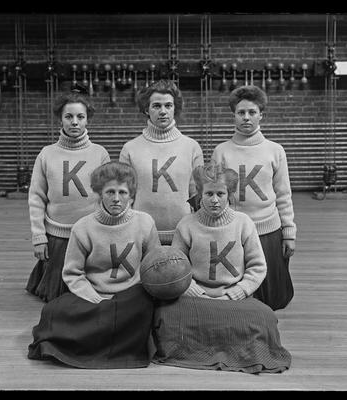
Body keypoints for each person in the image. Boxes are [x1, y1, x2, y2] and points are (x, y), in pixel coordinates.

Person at [151, 162, 292, 374]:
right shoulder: (186, 224)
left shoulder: (243, 223)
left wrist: (237, 292)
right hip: (195, 297)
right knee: (165, 315)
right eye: (209, 194)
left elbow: (257, 267)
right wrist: (194, 291)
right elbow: (177, 267)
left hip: (234, 298)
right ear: (199, 194)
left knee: (265, 318)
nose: (215, 200)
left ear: (229, 195)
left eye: (220, 193)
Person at [28, 161, 161, 369]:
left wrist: (137, 289)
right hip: (94, 293)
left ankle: (107, 341)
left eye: (122, 192)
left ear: (132, 195)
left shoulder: (145, 223)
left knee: (142, 308)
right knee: (53, 312)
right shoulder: (83, 227)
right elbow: (72, 273)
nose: (116, 199)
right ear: (99, 194)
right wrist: (95, 298)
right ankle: (107, 331)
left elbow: (153, 266)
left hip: (131, 295)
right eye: (110, 192)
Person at [211, 85, 296, 311]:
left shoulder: (275, 151)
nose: (246, 117)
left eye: (252, 112)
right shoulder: (221, 151)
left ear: (261, 115)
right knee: (239, 294)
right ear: (234, 116)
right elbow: (215, 195)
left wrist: (288, 232)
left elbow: (283, 194)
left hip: (268, 229)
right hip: (234, 230)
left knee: (272, 296)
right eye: (241, 113)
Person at [25, 92, 110, 302]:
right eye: (68, 116)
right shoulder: (46, 154)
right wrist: (38, 237)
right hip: (58, 235)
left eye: (80, 117)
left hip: (91, 235)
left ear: (87, 119)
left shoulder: (99, 153)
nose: (74, 122)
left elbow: (107, 197)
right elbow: (36, 198)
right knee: (56, 294)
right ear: (60, 119)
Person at [119, 79, 204, 245]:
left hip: (183, 236)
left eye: (168, 106)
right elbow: (125, 197)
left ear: (175, 108)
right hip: (142, 236)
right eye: (156, 106)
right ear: (146, 109)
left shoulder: (192, 147)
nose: (163, 111)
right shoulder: (130, 148)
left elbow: (197, 197)